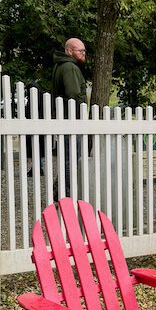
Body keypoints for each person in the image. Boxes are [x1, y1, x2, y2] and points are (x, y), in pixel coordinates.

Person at [51, 38, 88, 196]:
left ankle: (60, 191)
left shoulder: (61, 65)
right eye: (80, 51)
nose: (83, 53)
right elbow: (73, 94)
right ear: (69, 51)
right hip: (71, 119)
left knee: (68, 156)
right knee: (72, 158)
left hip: (65, 118)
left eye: (84, 50)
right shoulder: (70, 67)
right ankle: (65, 193)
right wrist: (83, 103)